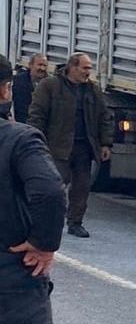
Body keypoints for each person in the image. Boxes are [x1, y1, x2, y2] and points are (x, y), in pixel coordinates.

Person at [0, 53, 69, 324]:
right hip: (11, 274)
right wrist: (43, 244)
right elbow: (49, 190)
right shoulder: (19, 140)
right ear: (7, 89)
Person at [27, 53, 113, 239]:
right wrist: (35, 141)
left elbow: (104, 117)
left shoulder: (93, 90)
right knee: (54, 187)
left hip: (84, 147)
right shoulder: (50, 86)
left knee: (82, 187)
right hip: (57, 146)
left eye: (89, 68)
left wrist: (105, 143)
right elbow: (37, 114)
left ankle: (75, 223)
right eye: (85, 68)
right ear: (72, 67)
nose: (88, 72)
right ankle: (44, 221)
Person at [12, 53, 49, 124]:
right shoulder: (18, 81)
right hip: (22, 123)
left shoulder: (50, 84)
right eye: (39, 65)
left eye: (45, 65)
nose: (42, 68)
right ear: (30, 65)